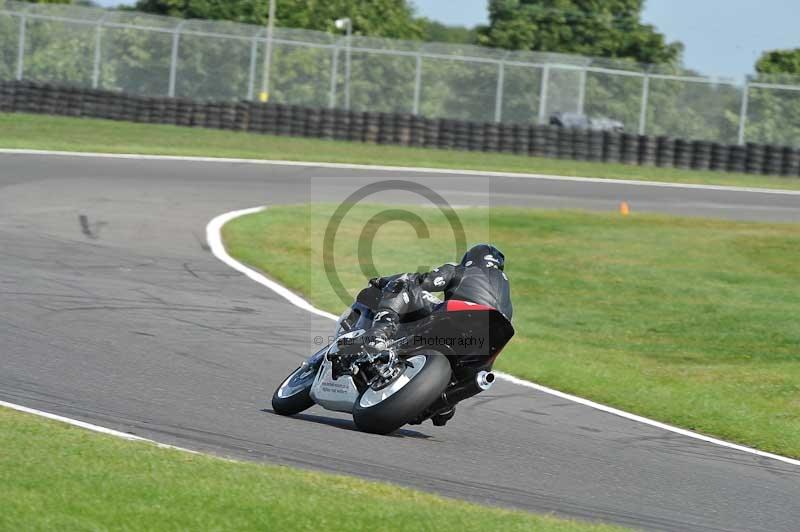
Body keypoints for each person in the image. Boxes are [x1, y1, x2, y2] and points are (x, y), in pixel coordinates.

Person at [356, 244, 512, 425]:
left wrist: (383, 282)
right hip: (484, 348)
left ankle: (379, 333)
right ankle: (445, 402)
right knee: (447, 406)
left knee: (404, 283)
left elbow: (424, 281)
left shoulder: (461, 270)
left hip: (457, 318)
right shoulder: (506, 304)